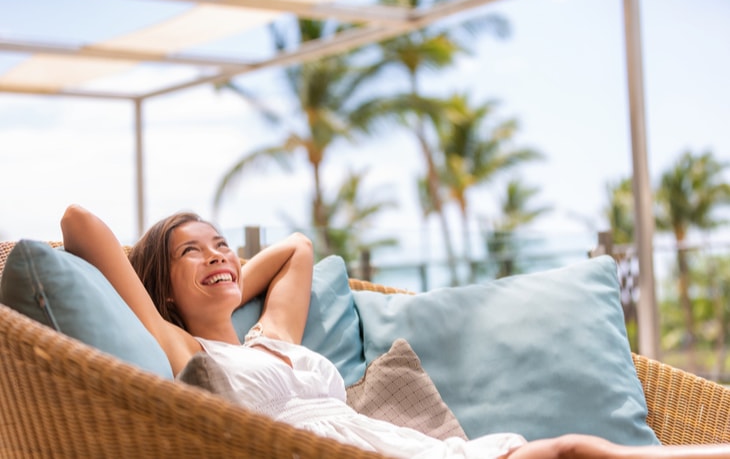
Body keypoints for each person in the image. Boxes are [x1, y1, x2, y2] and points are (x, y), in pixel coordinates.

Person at [60, 204, 730, 459]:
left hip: (398, 445)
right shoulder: (182, 349)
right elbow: (78, 223)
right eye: (192, 253)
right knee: (574, 452)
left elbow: (296, 245)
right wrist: (175, 298)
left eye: (223, 243)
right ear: (161, 288)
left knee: (573, 452)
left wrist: (227, 273)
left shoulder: (272, 333)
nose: (217, 255)